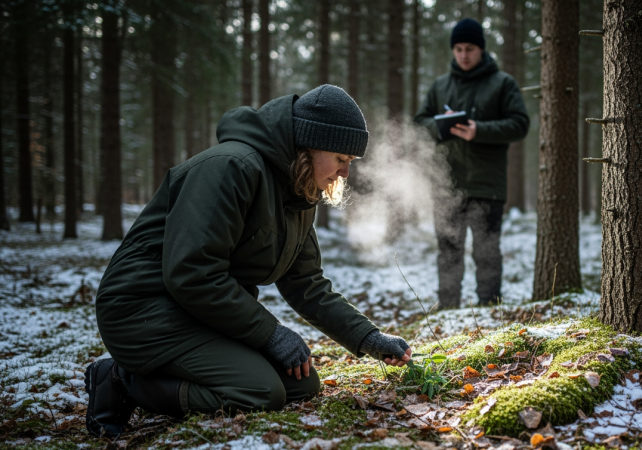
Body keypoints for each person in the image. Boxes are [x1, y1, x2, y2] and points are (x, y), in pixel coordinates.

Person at [86, 85, 412, 437]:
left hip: (197, 310)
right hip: (143, 308)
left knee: (300, 385)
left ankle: (166, 374)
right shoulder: (231, 167)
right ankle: (120, 380)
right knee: (259, 391)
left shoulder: (297, 192)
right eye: (341, 159)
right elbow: (192, 273)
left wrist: (368, 338)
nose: (346, 173)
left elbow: (306, 284)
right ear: (310, 144)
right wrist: (271, 334)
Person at [414, 18, 529, 310]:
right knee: (448, 249)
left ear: (481, 49)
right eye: (459, 49)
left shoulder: (503, 83)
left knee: (487, 251)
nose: (464, 55)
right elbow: (419, 124)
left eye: (470, 48)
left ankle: (490, 307)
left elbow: (520, 124)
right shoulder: (440, 86)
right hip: (446, 183)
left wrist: (480, 130)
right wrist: (442, 127)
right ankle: (447, 308)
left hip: (487, 184)